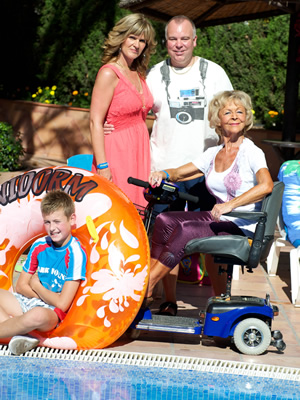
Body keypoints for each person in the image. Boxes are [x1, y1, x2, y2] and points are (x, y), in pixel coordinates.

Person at [104, 15, 233, 314]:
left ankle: (221, 302)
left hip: (205, 172)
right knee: (164, 240)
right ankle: (169, 300)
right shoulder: (153, 75)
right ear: (165, 42)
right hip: (163, 172)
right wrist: (110, 124)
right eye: (173, 39)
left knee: (215, 239)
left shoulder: (214, 73)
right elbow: (132, 107)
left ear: (195, 41)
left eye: (184, 38)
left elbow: (231, 112)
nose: (179, 44)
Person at [143, 90, 274, 306]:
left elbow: (267, 185)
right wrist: (163, 174)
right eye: (228, 112)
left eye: (240, 112)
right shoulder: (214, 153)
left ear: (246, 118)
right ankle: (155, 287)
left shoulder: (252, 152)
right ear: (217, 119)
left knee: (186, 230)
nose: (234, 116)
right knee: (164, 220)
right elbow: (180, 173)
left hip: (243, 224)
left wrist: (229, 205)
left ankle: (146, 286)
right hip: (222, 220)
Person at [0, 190, 87, 355]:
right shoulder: (40, 245)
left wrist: (36, 285)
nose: (52, 228)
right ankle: (19, 336)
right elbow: (20, 286)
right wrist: (43, 293)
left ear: (72, 219)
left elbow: (61, 304)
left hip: (50, 313)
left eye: (57, 221)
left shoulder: (75, 253)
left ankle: (16, 330)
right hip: (27, 302)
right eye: (47, 222)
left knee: (37, 315)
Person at [90, 13, 156, 207]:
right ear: (121, 38)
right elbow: (95, 121)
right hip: (116, 152)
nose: (137, 44)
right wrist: (103, 166)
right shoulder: (109, 73)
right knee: (117, 210)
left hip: (139, 151)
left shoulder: (139, 73)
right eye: (132, 37)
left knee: (138, 212)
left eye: (142, 40)